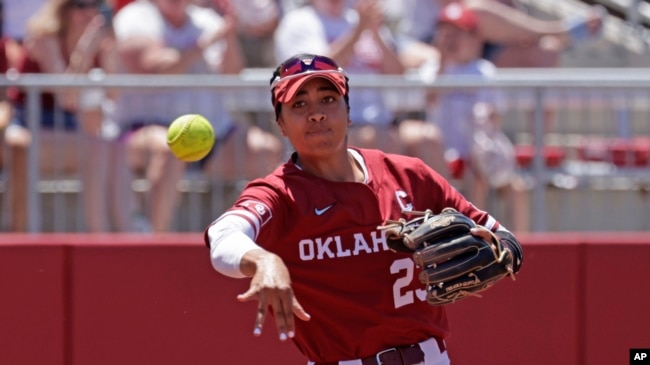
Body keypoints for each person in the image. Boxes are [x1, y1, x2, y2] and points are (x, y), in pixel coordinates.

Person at [204, 53, 524, 364]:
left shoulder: (408, 174)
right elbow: (223, 235)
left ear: (349, 110)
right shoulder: (279, 193)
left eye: (328, 99)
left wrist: (499, 249)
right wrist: (261, 260)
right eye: (299, 104)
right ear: (281, 125)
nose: (316, 113)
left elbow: (503, 237)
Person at [113, 0, 283, 232]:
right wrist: (203, 44)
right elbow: (153, 66)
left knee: (267, 150)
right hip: (143, 130)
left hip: (211, 134)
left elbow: (232, 74)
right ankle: (153, 243)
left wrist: (229, 34)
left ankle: (254, 236)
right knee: (168, 149)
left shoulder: (207, 20)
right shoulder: (135, 17)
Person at [274, 0, 449, 176]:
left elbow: (396, 74)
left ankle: (448, 203)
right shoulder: (299, 22)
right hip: (332, 125)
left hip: (383, 123)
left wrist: (375, 32)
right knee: (371, 138)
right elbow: (318, 73)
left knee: (428, 138)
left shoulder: (359, 18)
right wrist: (358, 31)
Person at [3, 0, 124, 232]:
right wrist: (84, 52)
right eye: (80, 4)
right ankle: (97, 238)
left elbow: (114, 94)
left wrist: (108, 50)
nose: (88, 11)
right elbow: (66, 98)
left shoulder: (101, 43)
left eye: (95, 4)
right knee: (93, 149)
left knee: (112, 149)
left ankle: (116, 235)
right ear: (63, 9)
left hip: (68, 129)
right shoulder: (43, 38)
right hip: (31, 124)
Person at [420, 2, 530, 231]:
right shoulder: (432, 69)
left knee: (516, 186)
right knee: (472, 175)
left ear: (473, 38)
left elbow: (496, 117)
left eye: (457, 33)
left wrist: (483, 118)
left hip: (479, 152)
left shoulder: (484, 70)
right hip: (442, 155)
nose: (451, 40)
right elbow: (428, 99)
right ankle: (471, 239)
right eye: (446, 33)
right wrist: (442, 59)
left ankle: (521, 248)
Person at [396, 0, 605, 69]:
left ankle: (538, 154)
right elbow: (455, 11)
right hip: (429, 41)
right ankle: (560, 30)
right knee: (478, 11)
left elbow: (511, 11)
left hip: (478, 41)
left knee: (547, 51)